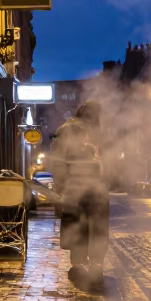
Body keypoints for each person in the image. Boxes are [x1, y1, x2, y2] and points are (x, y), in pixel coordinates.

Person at [50, 100, 109, 291]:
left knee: (79, 226)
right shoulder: (82, 130)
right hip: (89, 188)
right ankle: (93, 266)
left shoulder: (66, 128)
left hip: (78, 188)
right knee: (96, 227)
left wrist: (61, 187)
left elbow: (58, 163)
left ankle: (80, 265)